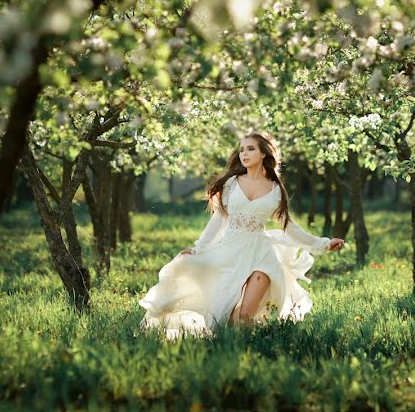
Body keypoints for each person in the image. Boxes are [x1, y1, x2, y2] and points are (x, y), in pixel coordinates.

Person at [139, 132, 346, 340]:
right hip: (231, 252)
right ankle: (231, 353)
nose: (244, 154)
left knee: (245, 315)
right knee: (228, 319)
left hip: (261, 255)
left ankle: (252, 357)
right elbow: (218, 219)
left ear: (264, 154)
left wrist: (323, 244)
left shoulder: (276, 190)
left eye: (250, 149)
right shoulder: (231, 184)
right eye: (242, 150)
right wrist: (198, 248)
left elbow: (289, 226)